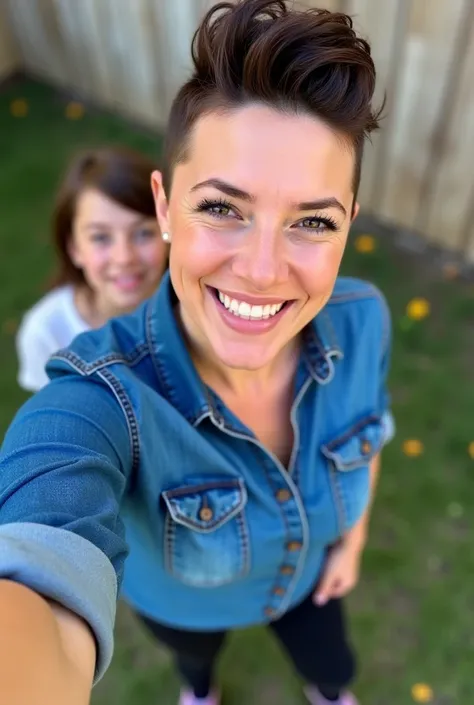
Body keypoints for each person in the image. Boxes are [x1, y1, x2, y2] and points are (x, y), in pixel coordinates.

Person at [0, 1, 395, 704]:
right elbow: (39, 568)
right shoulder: (100, 400)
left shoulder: (364, 319)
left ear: (348, 227)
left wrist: (354, 540)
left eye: (312, 221)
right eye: (221, 208)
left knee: (333, 669)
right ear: (164, 205)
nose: (263, 270)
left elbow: (370, 438)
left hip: (311, 585)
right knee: (195, 664)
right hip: (184, 610)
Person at [15, 145, 168, 392]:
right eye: (100, 237)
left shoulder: (197, 310)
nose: (124, 257)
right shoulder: (47, 331)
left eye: (143, 233)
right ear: (74, 248)